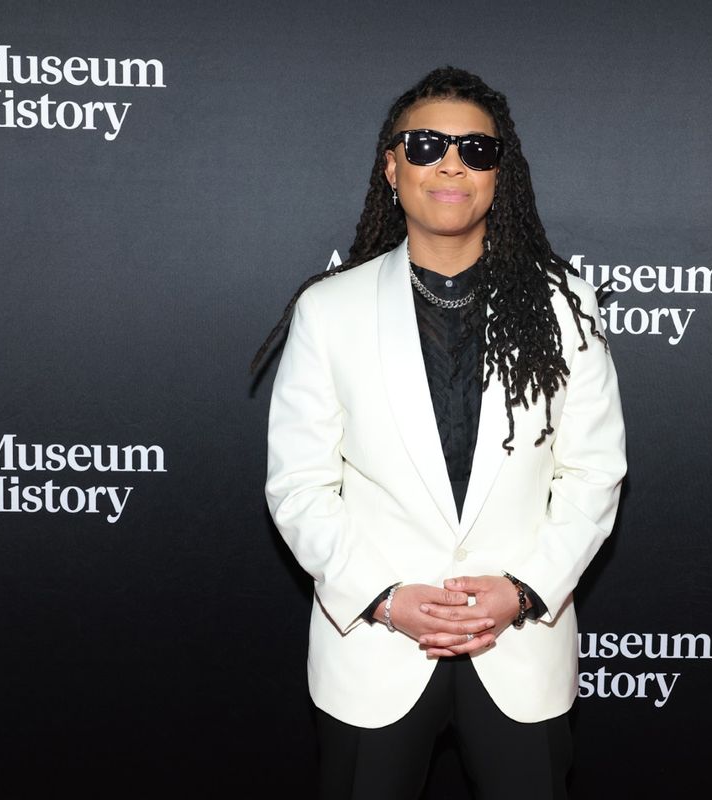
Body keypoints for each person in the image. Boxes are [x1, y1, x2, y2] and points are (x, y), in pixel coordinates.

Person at [258, 66, 626, 799]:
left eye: (475, 150)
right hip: (372, 651)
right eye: (426, 145)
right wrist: (383, 597)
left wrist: (523, 591)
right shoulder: (329, 310)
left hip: (521, 648)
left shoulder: (564, 305)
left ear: (500, 176)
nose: (451, 162)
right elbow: (299, 486)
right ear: (392, 167)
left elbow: (593, 474)